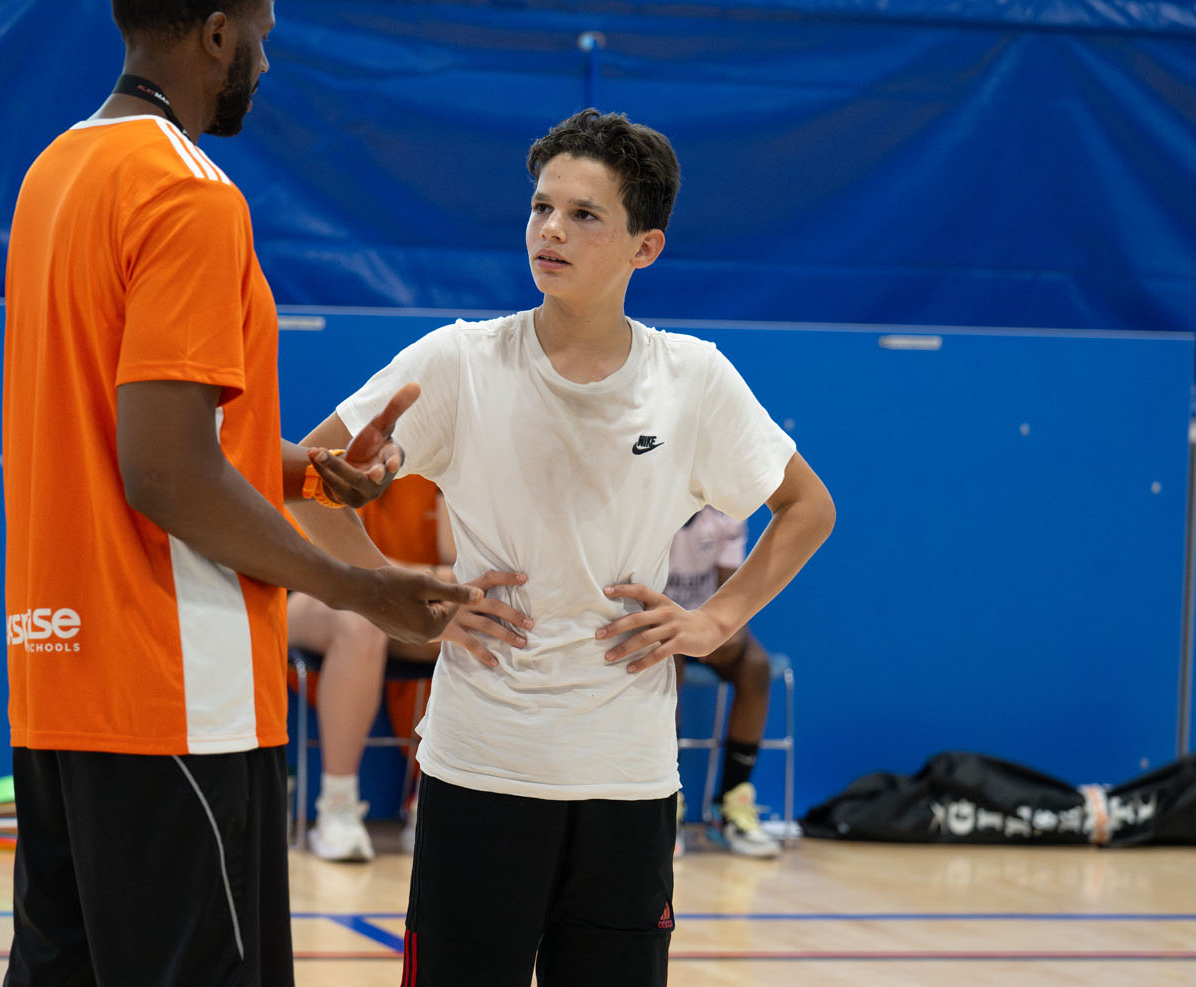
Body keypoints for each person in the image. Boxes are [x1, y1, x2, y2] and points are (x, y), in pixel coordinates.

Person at [0, 0, 482, 984]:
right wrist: (360, 586)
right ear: (216, 35)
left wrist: (309, 470)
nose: (266, 58)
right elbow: (164, 471)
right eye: (260, 35)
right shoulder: (191, 194)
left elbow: (132, 432)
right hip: (175, 686)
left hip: (56, 675)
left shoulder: (54, 173)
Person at [295, 108, 836, 986]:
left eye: (585, 214)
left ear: (644, 247)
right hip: (480, 767)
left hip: (627, 780)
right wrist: (387, 586)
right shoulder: (460, 362)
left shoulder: (693, 378)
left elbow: (808, 507)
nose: (551, 229)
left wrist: (715, 620)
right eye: (542, 206)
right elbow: (315, 480)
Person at [289, 474, 452, 862]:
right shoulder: (356, 437)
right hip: (317, 589)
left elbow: (460, 568)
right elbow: (339, 561)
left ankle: (431, 800)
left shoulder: (465, 442)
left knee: (478, 627)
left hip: (407, 598)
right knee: (360, 622)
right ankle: (338, 806)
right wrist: (426, 577)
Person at [667, 507, 780, 859]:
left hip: (705, 625)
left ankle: (730, 804)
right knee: (667, 665)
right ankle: (667, 804)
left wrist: (721, 632)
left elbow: (732, 597)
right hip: (654, 623)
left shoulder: (726, 512)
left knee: (755, 667)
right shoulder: (654, 501)